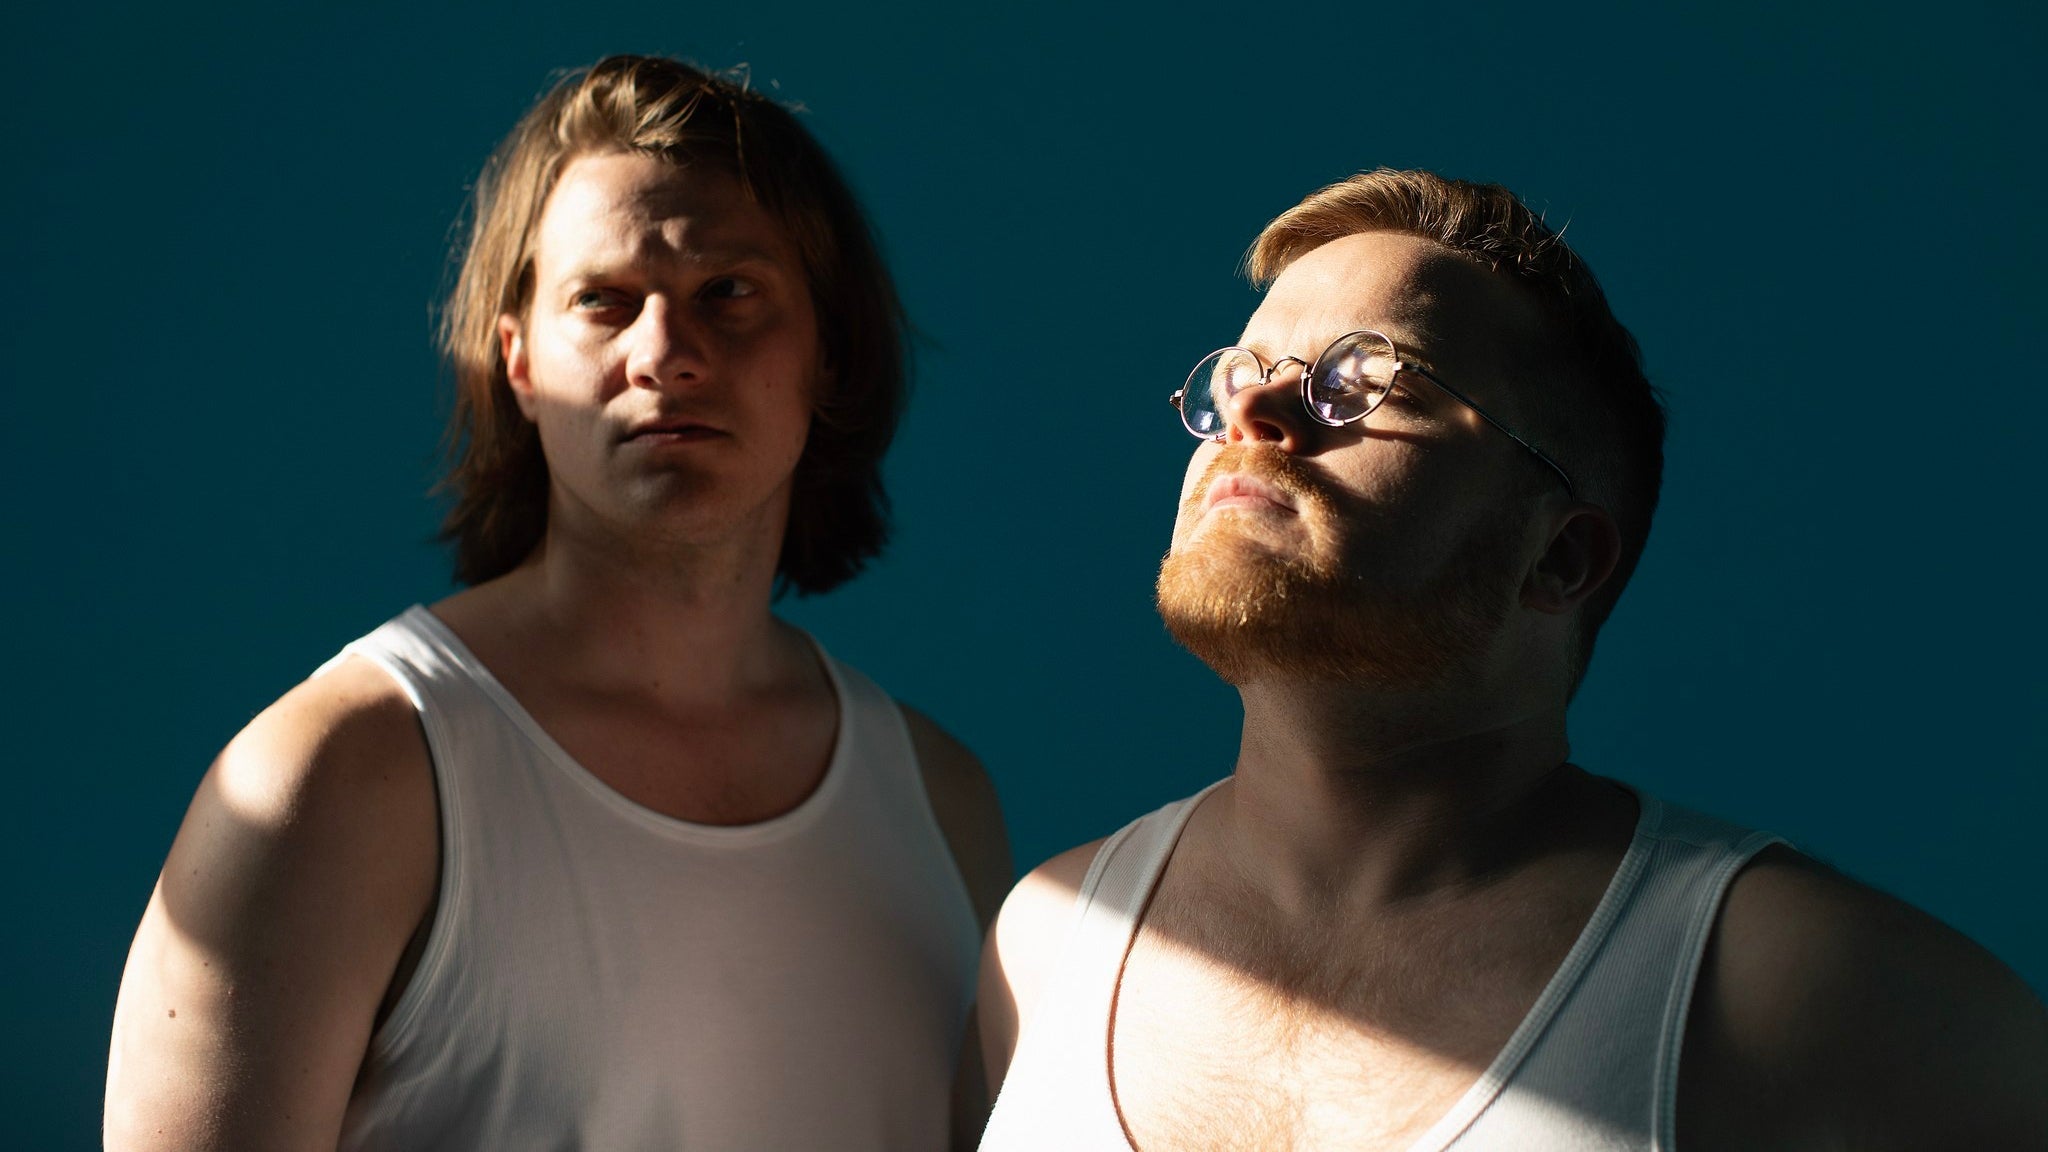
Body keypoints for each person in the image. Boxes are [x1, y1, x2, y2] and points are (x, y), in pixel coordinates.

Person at [978, 169, 2048, 1150]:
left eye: (1360, 381)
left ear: (1560, 556)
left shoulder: (1821, 997)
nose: (1251, 413)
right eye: (1238, 375)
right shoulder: (1050, 941)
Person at [105, 55, 1010, 1151]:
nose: (664, 355)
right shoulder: (333, 780)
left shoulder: (942, 809)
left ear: (827, 352)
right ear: (519, 363)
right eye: (602, 301)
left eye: (729, 292)